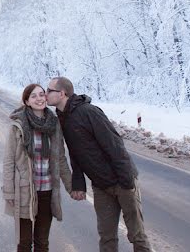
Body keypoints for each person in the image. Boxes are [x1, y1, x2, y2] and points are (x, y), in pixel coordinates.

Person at [47, 76, 152, 252]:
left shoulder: (88, 112)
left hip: (122, 181)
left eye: (50, 90)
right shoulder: (63, 118)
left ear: (62, 93)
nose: (46, 93)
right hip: (101, 186)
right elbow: (76, 153)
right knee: (107, 236)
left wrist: (126, 182)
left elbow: (114, 144)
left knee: (136, 235)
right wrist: (79, 184)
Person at [2, 83, 75, 252]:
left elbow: (60, 159)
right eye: (33, 96)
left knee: (42, 242)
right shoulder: (17, 126)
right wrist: (9, 191)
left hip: (47, 192)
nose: (39, 99)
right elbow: (9, 161)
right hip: (25, 191)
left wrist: (71, 186)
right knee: (24, 243)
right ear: (27, 101)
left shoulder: (54, 124)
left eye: (41, 94)